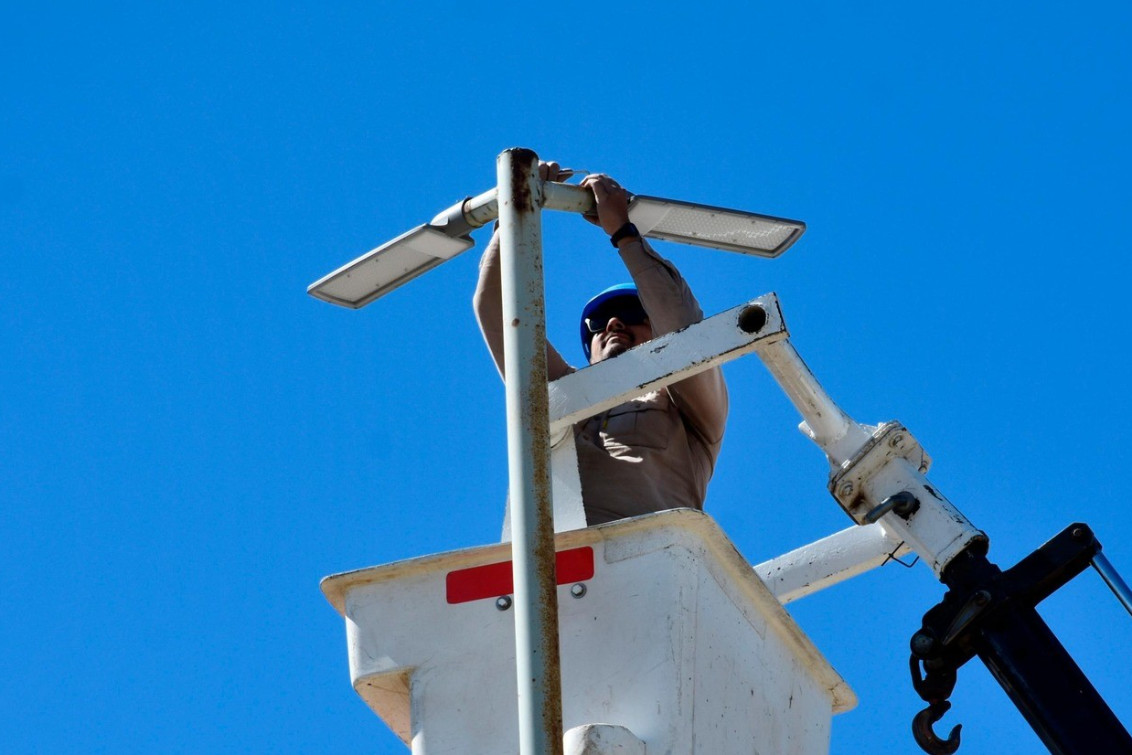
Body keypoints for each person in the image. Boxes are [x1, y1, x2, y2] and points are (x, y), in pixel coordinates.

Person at [473, 163, 728, 525]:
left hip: (652, 566)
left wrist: (624, 233)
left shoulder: (682, 403)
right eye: (597, 324)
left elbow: (683, 329)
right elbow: (495, 310)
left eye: (632, 311)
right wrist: (513, 219)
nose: (612, 323)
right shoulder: (563, 399)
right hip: (559, 573)